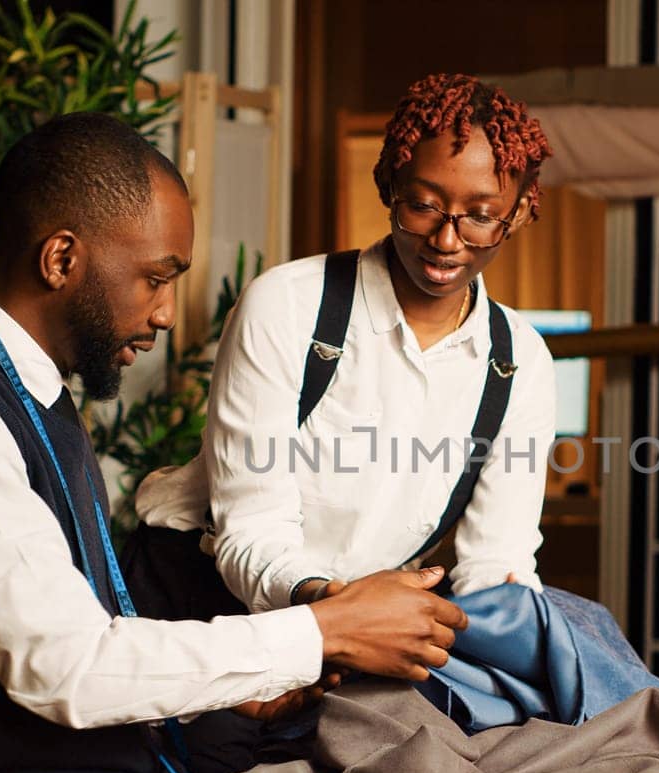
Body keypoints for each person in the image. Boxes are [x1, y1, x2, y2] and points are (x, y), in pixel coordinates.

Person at [0, 112, 468, 773]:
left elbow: (80, 637)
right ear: (62, 257)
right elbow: (68, 668)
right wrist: (321, 629)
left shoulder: (33, 403)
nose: (165, 314)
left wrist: (249, 682)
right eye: (157, 278)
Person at [135, 72, 558, 615]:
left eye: (480, 217)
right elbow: (252, 532)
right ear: (388, 185)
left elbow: (497, 564)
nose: (447, 242)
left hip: (357, 622)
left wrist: (522, 634)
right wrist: (340, 613)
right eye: (423, 205)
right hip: (200, 597)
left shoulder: (520, 363)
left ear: (518, 212)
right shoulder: (289, 308)